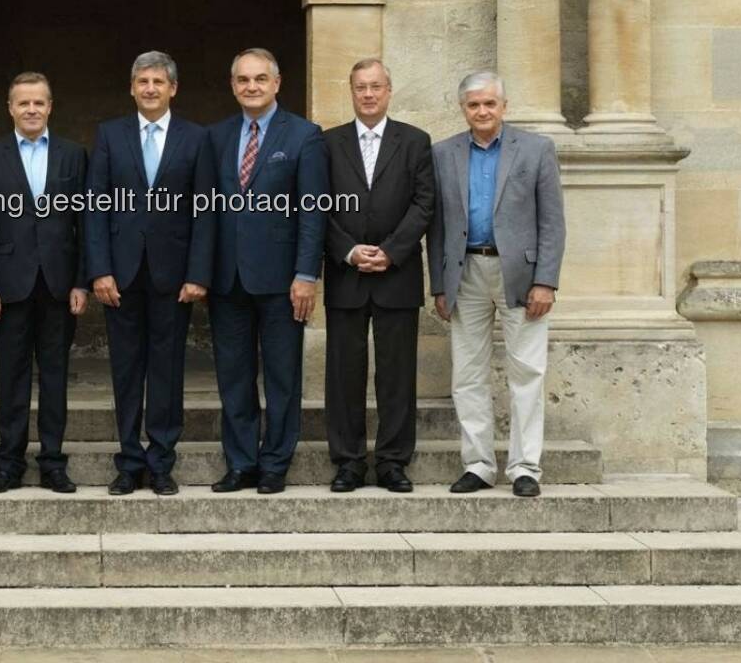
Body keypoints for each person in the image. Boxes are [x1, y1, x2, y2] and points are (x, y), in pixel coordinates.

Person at [427, 70, 566, 499]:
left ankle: (525, 468)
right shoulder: (443, 153)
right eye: (474, 105)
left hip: (520, 277)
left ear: (504, 106)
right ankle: (479, 465)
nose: (482, 111)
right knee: (468, 374)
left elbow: (552, 221)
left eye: (490, 103)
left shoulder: (537, 149)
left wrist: (545, 280)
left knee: (526, 370)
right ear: (463, 109)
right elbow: (436, 225)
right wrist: (438, 284)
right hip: (464, 273)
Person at [85, 50, 214, 496]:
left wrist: (198, 273)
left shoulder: (196, 139)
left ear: (173, 88)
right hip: (119, 275)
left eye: (159, 82)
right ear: (132, 87)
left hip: (174, 276)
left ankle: (161, 461)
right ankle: (128, 460)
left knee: (167, 369)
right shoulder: (109, 135)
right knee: (125, 369)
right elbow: (95, 206)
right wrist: (98, 269)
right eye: (143, 82)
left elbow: (205, 211)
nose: (151, 89)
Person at [206, 48, 327, 494]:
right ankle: (240, 462)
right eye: (243, 80)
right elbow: (207, 212)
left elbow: (313, 212)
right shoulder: (215, 137)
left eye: (260, 79)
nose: (251, 86)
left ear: (277, 83)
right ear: (233, 85)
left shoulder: (304, 136)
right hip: (227, 279)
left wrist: (306, 275)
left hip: (282, 280)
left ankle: (275, 462)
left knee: (281, 375)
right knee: (233, 375)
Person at [0, 72, 89, 494]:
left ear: (50, 106)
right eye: (24, 103)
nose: (32, 110)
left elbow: (84, 222)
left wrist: (82, 282)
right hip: (9, 285)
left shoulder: (73, 155)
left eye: (39, 102)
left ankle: (53, 462)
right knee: (12, 376)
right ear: (11, 108)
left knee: (56, 376)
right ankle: (9, 463)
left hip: (59, 285)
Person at [322, 58, 434, 494]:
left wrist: (390, 252)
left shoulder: (415, 142)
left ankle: (392, 462)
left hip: (397, 276)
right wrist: (348, 250)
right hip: (346, 275)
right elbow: (317, 204)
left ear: (389, 90)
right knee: (344, 375)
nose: (368, 94)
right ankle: (348, 462)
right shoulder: (328, 143)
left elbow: (424, 204)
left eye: (376, 87)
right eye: (360, 87)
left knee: (396, 374)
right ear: (350, 92)